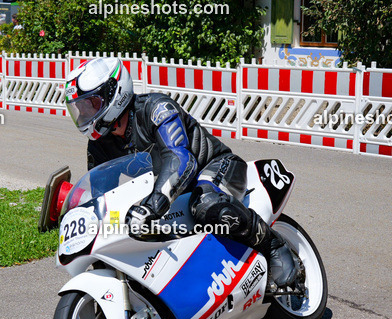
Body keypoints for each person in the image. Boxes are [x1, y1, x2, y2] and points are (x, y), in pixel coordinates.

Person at [65, 57, 304, 289]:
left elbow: (181, 160)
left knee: (205, 204)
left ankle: (272, 245)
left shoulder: (156, 108)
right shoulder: (99, 145)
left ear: (114, 93)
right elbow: (102, 196)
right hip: (171, 193)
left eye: (90, 105)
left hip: (215, 167)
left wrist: (152, 205)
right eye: (80, 108)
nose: (84, 115)